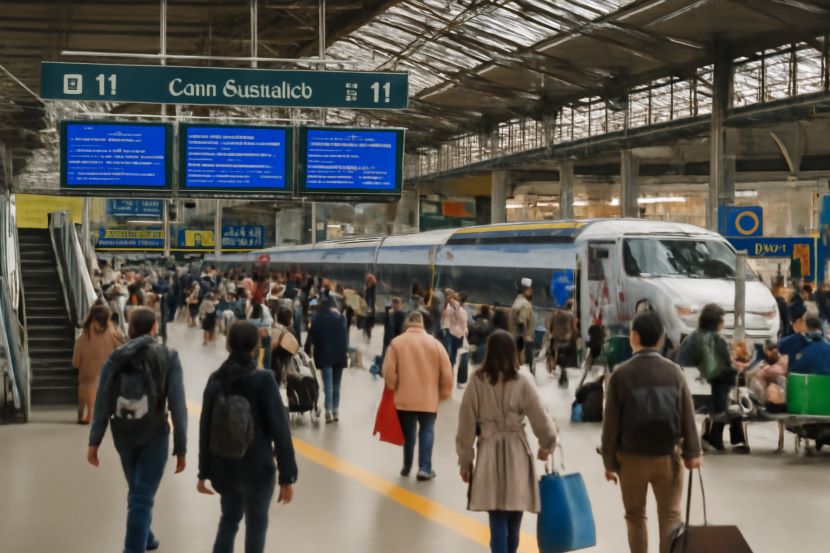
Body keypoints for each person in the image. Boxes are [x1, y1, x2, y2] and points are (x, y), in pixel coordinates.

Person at [87, 307, 188, 553]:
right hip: (154, 434)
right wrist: (181, 447)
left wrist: (94, 441)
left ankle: (147, 537)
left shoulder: (115, 357)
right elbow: (177, 405)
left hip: (122, 433)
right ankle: (134, 548)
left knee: (137, 490)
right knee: (141, 496)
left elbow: (102, 401)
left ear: (130, 328)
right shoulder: (168, 356)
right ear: (154, 327)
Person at [602, 311, 702, 553]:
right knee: (670, 516)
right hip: (667, 456)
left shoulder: (620, 374)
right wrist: (692, 452)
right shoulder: (674, 372)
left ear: (633, 337)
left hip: (630, 458)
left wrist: (609, 461)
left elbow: (611, 423)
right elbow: (687, 414)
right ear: (661, 339)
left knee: (635, 517)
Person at [197, 321, 298, 553]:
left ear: (228, 344)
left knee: (229, 520)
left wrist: (203, 471)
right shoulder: (264, 380)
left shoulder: (216, 380)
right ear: (255, 346)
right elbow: (280, 430)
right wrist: (287, 475)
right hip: (258, 468)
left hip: (225, 467)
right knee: (257, 524)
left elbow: (205, 428)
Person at [455, 330, 558, 553]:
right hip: (517, 452)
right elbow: (541, 419)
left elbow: (466, 425)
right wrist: (546, 445)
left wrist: (466, 462)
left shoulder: (477, 380)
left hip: (489, 451)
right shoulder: (523, 380)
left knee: (497, 515)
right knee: (515, 513)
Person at [383, 311, 453, 481]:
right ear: (422, 323)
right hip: (429, 399)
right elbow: (447, 374)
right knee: (427, 431)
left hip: (404, 399)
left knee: (409, 434)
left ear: (408, 322)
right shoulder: (436, 344)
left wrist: (393, 386)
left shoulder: (397, 343)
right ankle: (424, 468)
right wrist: (443, 394)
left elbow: (388, 372)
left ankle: (407, 467)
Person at [678, 303, 749, 453]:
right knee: (734, 409)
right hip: (712, 398)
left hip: (686, 396)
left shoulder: (688, 339)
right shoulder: (717, 340)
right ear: (718, 322)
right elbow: (718, 371)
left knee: (726, 399)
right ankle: (727, 440)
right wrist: (737, 370)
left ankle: (714, 438)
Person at [72, 303, 123, 424]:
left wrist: (76, 363)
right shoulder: (112, 332)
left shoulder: (86, 333)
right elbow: (121, 347)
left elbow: (77, 354)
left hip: (86, 372)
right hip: (107, 369)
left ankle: (85, 413)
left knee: (85, 390)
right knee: (102, 389)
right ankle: (96, 412)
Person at [306, 297, 348, 423]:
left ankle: (328, 410)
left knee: (328, 384)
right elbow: (345, 338)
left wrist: (309, 348)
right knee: (336, 385)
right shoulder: (341, 318)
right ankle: (336, 411)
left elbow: (312, 336)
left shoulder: (318, 318)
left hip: (325, 355)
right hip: (339, 355)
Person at [511, 278, 536, 374]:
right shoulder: (525, 305)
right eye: (530, 290)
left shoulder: (517, 301)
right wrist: (526, 337)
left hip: (516, 336)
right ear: (527, 291)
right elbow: (522, 322)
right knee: (525, 360)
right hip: (524, 338)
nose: (531, 291)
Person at [441, 289, 468, 370]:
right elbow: (444, 314)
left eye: (457, 294)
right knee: (449, 354)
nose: (455, 295)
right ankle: (448, 369)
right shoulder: (452, 306)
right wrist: (446, 303)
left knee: (451, 355)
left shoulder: (460, 308)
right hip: (450, 331)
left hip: (455, 333)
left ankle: (450, 369)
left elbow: (458, 317)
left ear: (460, 297)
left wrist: (451, 298)